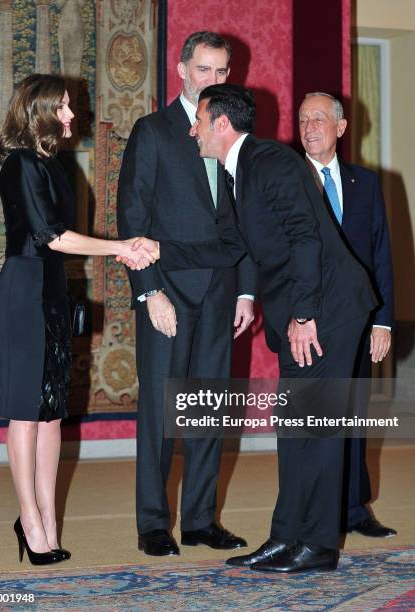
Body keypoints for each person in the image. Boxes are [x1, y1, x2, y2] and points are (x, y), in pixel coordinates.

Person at [127, 83, 378, 572]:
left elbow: (306, 237)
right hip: (303, 313)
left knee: (318, 431)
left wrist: (304, 316)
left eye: (198, 121)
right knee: (293, 429)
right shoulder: (236, 172)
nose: (192, 128)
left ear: (221, 124)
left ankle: (320, 545)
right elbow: (228, 247)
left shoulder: (271, 162)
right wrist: (159, 250)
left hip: (330, 310)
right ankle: (285, 538)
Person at [0, 74, 153, 566]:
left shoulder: (54, 167)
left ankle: (47, 520)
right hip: (23, 291)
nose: (70, 116)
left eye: (68, 107)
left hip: (53, 292)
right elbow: (50, 236)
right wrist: (122, 248)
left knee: (52, 411)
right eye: (61, 108)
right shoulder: (19, 165)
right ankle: (30, 519)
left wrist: (120, 247)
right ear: (37, 112)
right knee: (25, 411)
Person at [117, 32, 257, 557]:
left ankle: (200, 520)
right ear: (181, 70)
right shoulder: (152, 132)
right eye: (205, 70)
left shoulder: (232, 131)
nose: (215, 80)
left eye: (223, 71)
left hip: (221, 295)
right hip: (167, 296)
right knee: (160, 415)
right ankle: (154, 524)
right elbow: (132, 220)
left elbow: (243, 220)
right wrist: (148, 291)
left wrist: (246, 291)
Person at [298, 92, 396, 538]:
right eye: (303, 119)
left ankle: (355, 509)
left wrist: (382, 320)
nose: (309, 127)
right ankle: (314, 513)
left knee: (354, 414)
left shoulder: (367, 184)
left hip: (359, 320)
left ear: (340, 127)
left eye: (319, 118)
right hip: (310, 321)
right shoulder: (289, 180)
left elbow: (381, 256)